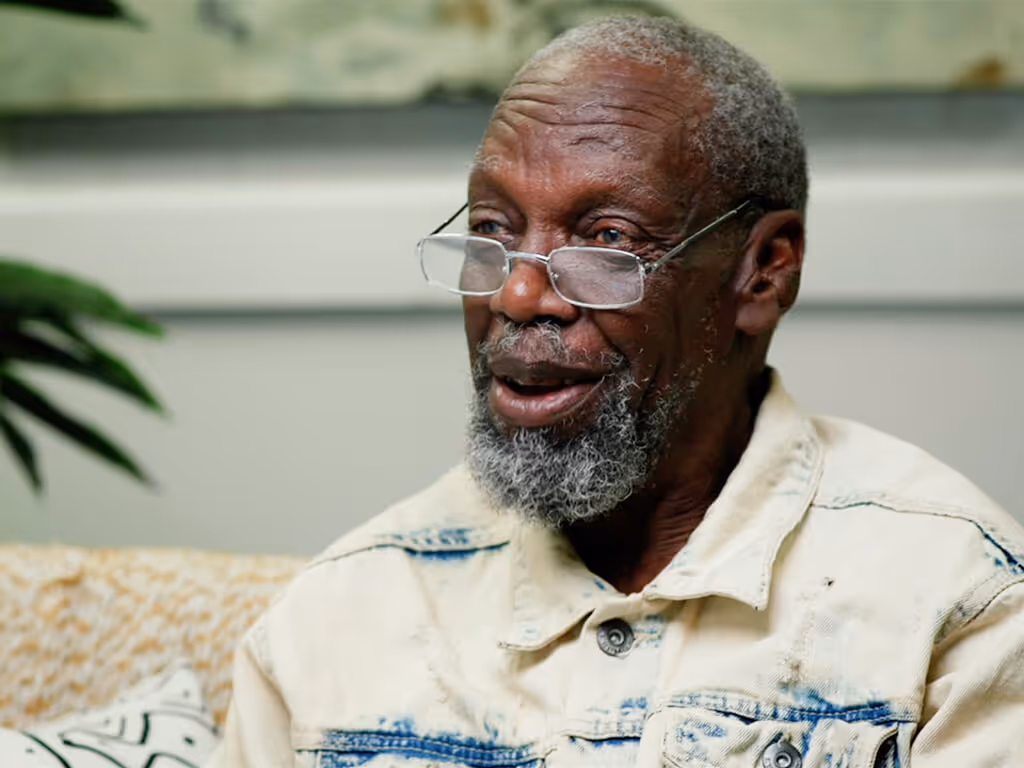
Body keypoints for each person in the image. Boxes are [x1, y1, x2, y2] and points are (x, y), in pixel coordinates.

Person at [207, 15, 1024, 768]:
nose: (519, 297)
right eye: (492, 230)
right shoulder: (338, 621)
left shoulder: (956, 600)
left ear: (763, 272)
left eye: (608, 239)